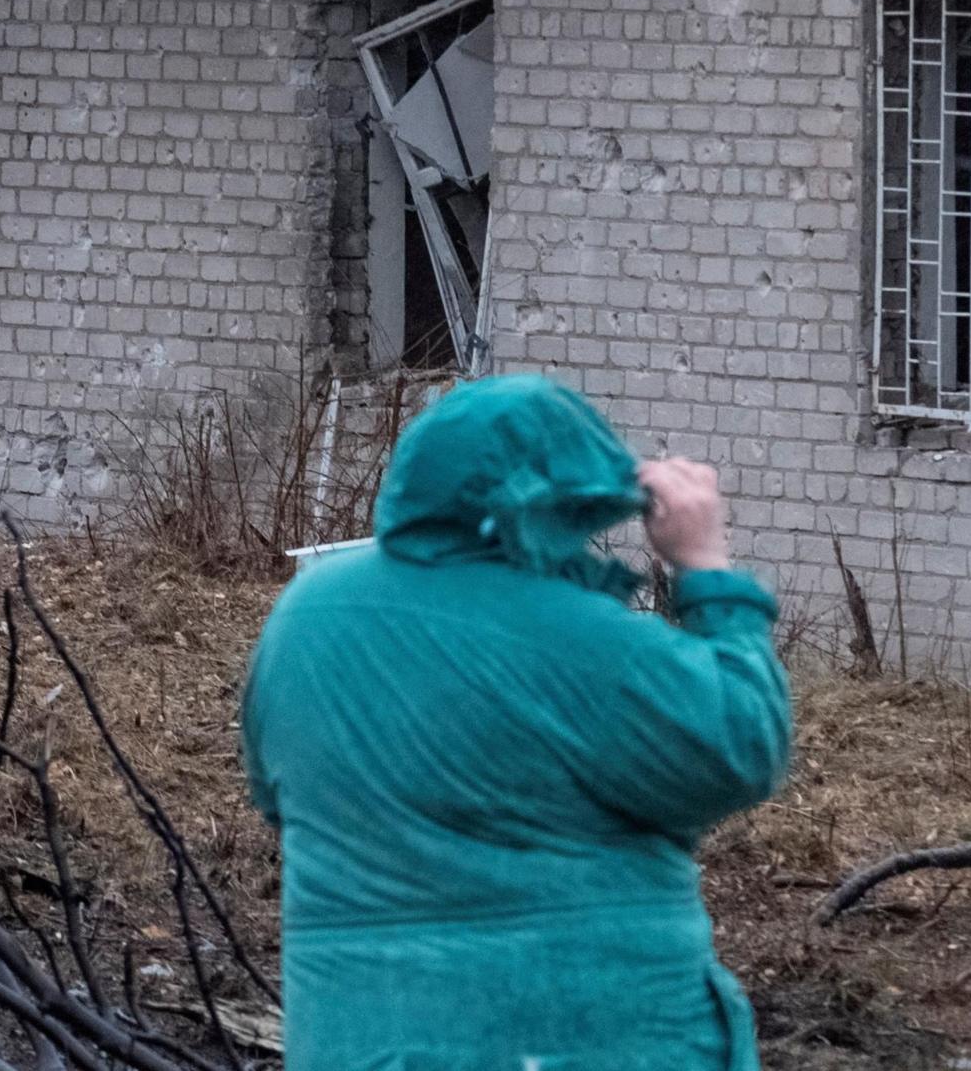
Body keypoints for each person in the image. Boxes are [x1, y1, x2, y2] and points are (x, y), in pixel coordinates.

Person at [243, 374, 792, 1071]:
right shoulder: (580, 640)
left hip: (358, 1041)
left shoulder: (303, 615)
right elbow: (743, 744)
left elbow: (274, 791)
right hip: (579, 1036)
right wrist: (706, 567)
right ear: (554, 510)